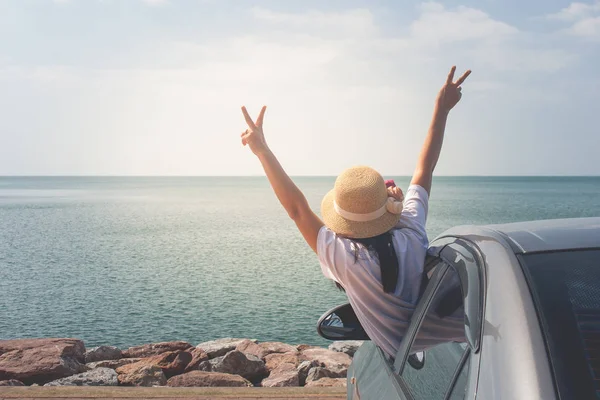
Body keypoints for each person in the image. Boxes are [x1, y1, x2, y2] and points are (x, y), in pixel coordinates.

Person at [239, 66, 471, 358]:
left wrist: (262, 150)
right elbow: (425, 168)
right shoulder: (410, 227)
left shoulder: (345, 257)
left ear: (342, 218)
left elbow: (297, 209)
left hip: (412, 359)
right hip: (461, 338)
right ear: (385, 206)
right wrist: (442, 108)